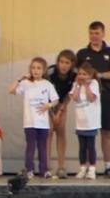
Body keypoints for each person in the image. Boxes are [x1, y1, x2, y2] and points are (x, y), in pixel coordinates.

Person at [9, 57, 59, 179]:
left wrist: (47, 105)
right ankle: (30, 169)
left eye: (38, 68)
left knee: (43, 147)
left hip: (43, 123)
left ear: (44, 70)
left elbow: (55, 100)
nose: (35, 71)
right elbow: (11, 90)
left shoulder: (47, 84)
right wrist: (20, 79)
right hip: (30, 122)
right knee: (31, 146)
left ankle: (44, 170)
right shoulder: (26, 84)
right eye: (33, 68)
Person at [77, 21, 110, 177]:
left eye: (97, 33)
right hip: (87, 101)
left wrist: (98, 75)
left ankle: (108, 165)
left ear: (103, 33)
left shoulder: (109, 51)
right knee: (86, 136)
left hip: (106, 96)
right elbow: (78, 75)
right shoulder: (82, 53)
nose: (94, 36)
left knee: (106, 132)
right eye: (91, 33)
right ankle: (87, 168)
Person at [46, 50, 77, 179]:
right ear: (57, 62)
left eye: (67, 63)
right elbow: (43, 91)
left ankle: (61, 166)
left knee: (61, 131)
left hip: (61, 103)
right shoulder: (50, 72)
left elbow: (69, 95)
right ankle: (46, 167)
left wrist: (61, 110)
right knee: (48, 133)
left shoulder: (73, 76)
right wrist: (51, 113)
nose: (63, 65)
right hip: (47, 104)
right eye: (61, 62)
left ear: (71, 64)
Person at [69, 62, 101, 179]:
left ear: (90, 76)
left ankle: (92, 169)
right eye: (80, 74)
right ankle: (82, 168)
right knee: (82, 147)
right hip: (80, 122)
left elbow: (92, 98)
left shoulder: (94, 83)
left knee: (90, 146)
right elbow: (75, 98)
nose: (82, 76)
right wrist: (78, 85)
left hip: (91, 122)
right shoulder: (76, 84)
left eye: (85, 74)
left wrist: (86, 86)